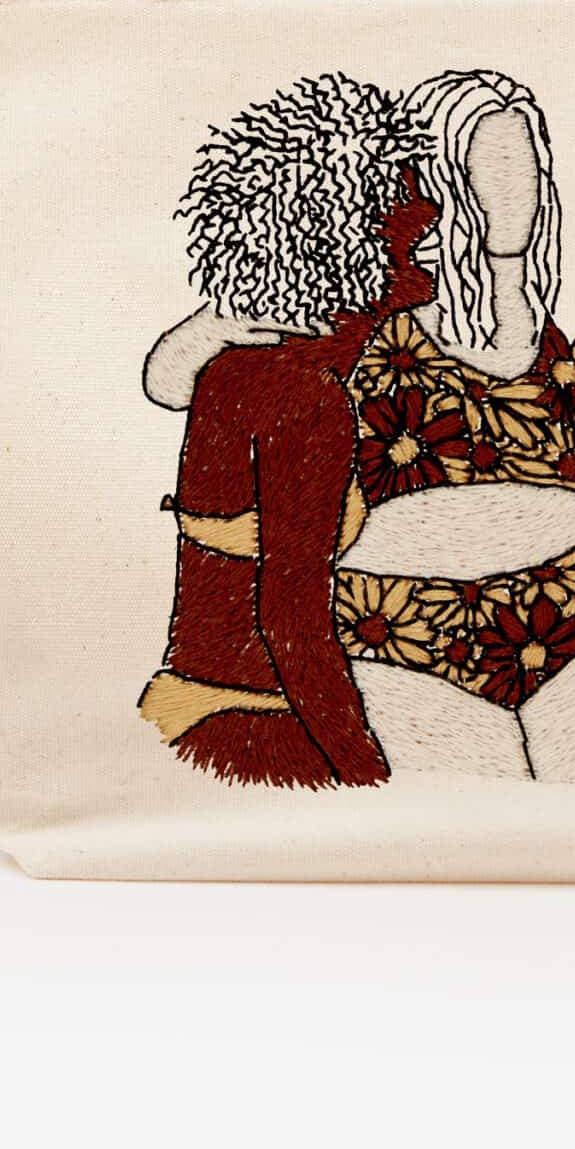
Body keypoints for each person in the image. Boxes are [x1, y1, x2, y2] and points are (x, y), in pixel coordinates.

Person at [138, 73, 436, 789]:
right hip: (260, 726)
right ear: (345, 236)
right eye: (401, 201)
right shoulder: (304, 397)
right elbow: (290, 620)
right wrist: (364, 773)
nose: (427, 216)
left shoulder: (236, 370)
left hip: (204, 704)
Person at [333, 70, 575, 782]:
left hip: (563, 617)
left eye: (524, 164)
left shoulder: (551, 328)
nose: (512, 190)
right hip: (407, 625)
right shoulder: (375, 311)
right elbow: (168, 380)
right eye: (482, 166)